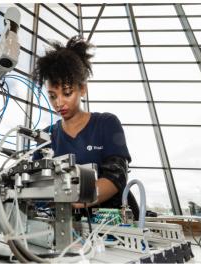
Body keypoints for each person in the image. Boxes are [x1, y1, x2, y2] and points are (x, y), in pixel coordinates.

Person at [33, 35, 138, 217]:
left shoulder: (106, 123)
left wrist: (73, 199)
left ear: (82, 89)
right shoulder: (46, 136)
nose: (59, 103)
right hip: (68, 225)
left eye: (67, 93)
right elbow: (38, 186)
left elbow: (116, 177)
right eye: (52, 96)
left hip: (114, 221)